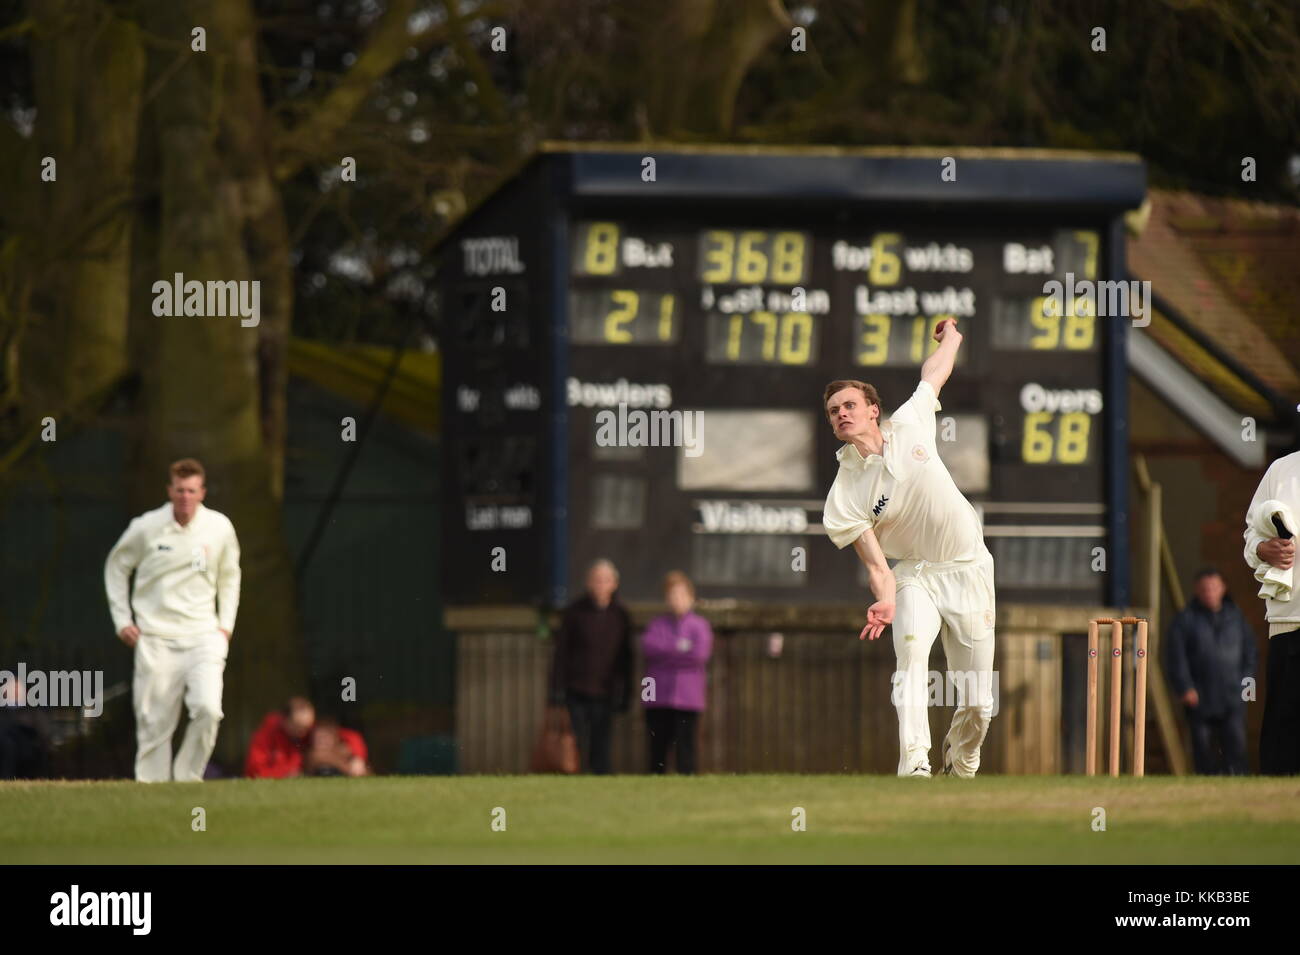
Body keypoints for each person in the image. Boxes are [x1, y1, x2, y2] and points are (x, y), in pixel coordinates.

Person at [821, 318, 995, 778]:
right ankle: (915, 763)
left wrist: (954, 338)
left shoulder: (911, 421)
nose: (842, 413)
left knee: (979, 701)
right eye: (834, 410)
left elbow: (933, 374)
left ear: (873, 409)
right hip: (915, 575)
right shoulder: (843, 495)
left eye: (850, 404)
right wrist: (886, 597)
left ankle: (963, 754)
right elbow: (878, 565)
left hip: (969, 568)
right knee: (913, 659)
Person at [104, 458, 241, 782]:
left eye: (192, 490)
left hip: (203, 635)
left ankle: (188, 780)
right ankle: (152, 792)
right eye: (179, 490)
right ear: (170, 490)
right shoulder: (146, 527)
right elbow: (116, 567)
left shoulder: (219, 527)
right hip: (155, 638)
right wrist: (123, 619)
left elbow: (230, 577)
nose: (185, 497)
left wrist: (225, 627)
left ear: (202, 492)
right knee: (154, 723)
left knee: (209, 709)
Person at [1166, 568, 1256, 774]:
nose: (1210, 592)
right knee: (1203, 748)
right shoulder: (1185, 620)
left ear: (1223, 588)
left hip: (1232, 694)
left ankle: (1238, 782)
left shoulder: (1236, 617)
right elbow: (1176, 657)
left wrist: (1247, 682)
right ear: (1197, 591)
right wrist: (1185, 687)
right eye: (1205, 589)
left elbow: (1250, 653)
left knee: (1236, 745)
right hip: (1200, 695)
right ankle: (1206, 783)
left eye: (1214, 587)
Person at [1243, 450, 1300, 775]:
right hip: (1288, 622)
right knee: (1283, 731)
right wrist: (1264, 549)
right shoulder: (1281, 469)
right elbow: (1252, 537)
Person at [547, 559, 633, 775]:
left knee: (601, 745)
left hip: (606, 692)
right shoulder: (574, 612)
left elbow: (627, 658)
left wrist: (627, 693)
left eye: (606, 580)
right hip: (576, 690)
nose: (601, 585)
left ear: (614, 584)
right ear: (588, 583)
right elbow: (561, 653)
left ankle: (600, 783)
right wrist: (556, 690)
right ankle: (574, 778)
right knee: (575, 741)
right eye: (597, 580)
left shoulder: (621, 615)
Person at [641, 571, 713, 774]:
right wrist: (680, 648)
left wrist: (667, 652)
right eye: (672, 595)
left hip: (688, 698)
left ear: (691, 598)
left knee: (686, 748)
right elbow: (649, 648)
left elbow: (699, 655)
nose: (677, 600)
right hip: (658, 696)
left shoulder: (700, 626)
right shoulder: (657, 624)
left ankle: (687, 786)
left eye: (681, 595)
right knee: (657, 749)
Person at [246, 697, 316, 778]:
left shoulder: (310, 733)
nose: (303, 732)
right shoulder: (266, 735)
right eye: (298, 726)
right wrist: (286, 774)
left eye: (307, 727)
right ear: (285, 720)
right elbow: (254, 770)